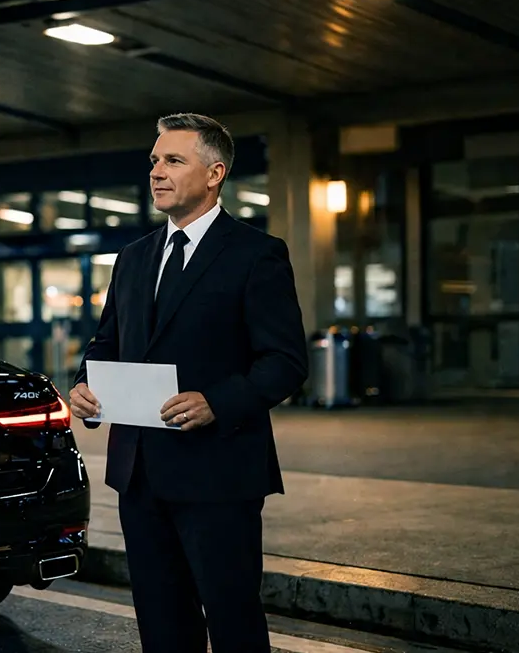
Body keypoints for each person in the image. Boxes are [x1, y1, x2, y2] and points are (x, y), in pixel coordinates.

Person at [69, 113, 308, 652]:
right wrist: (85, 384)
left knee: (233, 621)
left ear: (214, 173)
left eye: (173, 160)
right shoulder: (132, 260)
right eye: (154, 160)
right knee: (162, 623)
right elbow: (106, 344)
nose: (157, 171)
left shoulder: (255, 254)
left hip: (219, 474)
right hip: (139, 476)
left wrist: (216, 403)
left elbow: (285, 361)